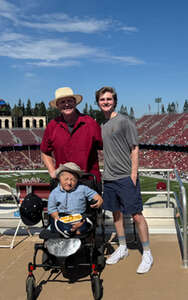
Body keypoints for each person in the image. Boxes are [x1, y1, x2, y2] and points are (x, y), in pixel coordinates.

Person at [96, 86, 153, 274]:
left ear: (114, 101)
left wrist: (133, 175)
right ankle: (122, 247)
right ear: (98, 102)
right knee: (116, 214)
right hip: (109, 178)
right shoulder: (102, 125)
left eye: (109, 99)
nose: (106, 102)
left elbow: (134, 148)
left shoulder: (124, 121)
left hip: (125, 177)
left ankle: (147, 252)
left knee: (136, 214)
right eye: (102, 99)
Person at [40, 87, 102, 182]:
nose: (67, 104)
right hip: (63, 182)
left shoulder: (90, 123)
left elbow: (104, 146)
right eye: (62, 102)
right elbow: (44, 152)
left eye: (69, 101)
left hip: (88, 180)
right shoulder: (52, 126)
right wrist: (52, 172)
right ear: (57, 105)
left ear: (75, 103)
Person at [48, 162, 103, 237]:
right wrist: (57, 218)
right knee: (56, 223)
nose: (69, 182)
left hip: (79, 216)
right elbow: (52, 209)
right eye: (66, 179)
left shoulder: (83, 188)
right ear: (60, 179)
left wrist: (99, 199)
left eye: (73, 180)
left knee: (87, 223)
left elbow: (95, 195)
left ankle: (72, 230)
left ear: (77, 180)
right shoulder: (54, 193)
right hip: (62, 217)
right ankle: (71, 229)